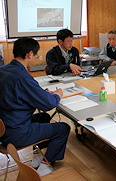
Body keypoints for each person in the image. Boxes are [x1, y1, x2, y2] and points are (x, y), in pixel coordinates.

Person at [0, 37, 70, 176]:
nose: (36, 59)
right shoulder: (23, 77)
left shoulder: (4, 70)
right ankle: (46, 165)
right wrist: (57, 95)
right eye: (36, 55)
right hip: (16, 133)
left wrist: (42, 93)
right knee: (63, 128)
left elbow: (19, 93)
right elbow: (49, 104)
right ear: (29, 54)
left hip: (4, 126)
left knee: (43, 117)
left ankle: (38, 155)